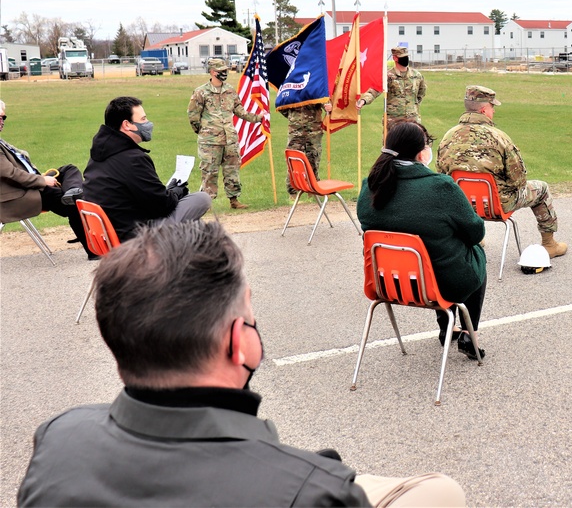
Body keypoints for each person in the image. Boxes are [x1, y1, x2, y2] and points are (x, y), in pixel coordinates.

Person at [17, 221, 466, 507]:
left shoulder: (58, 435)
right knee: (442, 492)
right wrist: (308, 468)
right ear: (239, 344)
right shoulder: (314, 490)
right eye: (249, 315)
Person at [357, 121, 489, 359]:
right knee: (474, 253)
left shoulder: (370, 186)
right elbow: (476, 232)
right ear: (421, 152)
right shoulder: (441, 187)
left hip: (389, 283)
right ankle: (470, 334)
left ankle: (446, 328)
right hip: (437, 285)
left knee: (438, 249)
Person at [437, 85, 568, 258]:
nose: (494, 111)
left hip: (462, 204)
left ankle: (475, 237)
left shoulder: (448, 136)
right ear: (484, 109)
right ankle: (549, 243)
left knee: (465, 190)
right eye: (492, 107)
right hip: (498, 204)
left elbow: (442, 177)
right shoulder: (499, 137)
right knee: (541, 188)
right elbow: (518, 180)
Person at [83, 96, 211, 242]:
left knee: (194, 225)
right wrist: (175, 192)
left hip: (108, 234)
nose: (148, 123)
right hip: (135, 235)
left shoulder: (98, 155)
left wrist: (168, 192)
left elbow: (138, 197)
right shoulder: (132, 158)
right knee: (202, 199)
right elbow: (162, 207)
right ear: (127, 125)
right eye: (143, 119)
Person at [0, 100, 94, 259]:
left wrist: (40, 178)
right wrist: (42, 181)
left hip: (29, 185)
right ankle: (93, 251)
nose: (2, 121)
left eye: (3, 117)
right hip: (19, 195)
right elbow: (11, 174)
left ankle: (71, 193)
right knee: (72, 205)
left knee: (68, 170)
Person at [187, 58, 264, 209]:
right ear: (212, 72)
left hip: (230, 140)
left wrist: (257, 118)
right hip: (210, 141)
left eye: (225, 70)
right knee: (209, 172)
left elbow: (239, 110)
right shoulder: (201, 92)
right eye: (220, 71)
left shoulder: (230, 90)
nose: (224, 73)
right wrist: (204, 132)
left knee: (232, 170)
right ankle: (205, 203)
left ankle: (234, 200)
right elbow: (193, 115)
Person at [357, 46, 427, 124]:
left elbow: (421, 92)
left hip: (412, 120)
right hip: (394, 121)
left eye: (406, 56)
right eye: (402, 57)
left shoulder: (416, 75)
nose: (405, 59)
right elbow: (374, 91)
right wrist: (364, 100)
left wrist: (413, 106)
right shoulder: (388, 76)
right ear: (395, 58)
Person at [280, 99, 333, 195]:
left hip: (313, 131)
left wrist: (329, 106)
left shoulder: (315, 86)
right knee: (293, 162)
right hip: (295, 131)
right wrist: (294, 117)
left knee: (313, 160)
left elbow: (326, 101)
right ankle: (293, 193)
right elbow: (281, 105)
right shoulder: (291, 86)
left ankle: (313, 192)